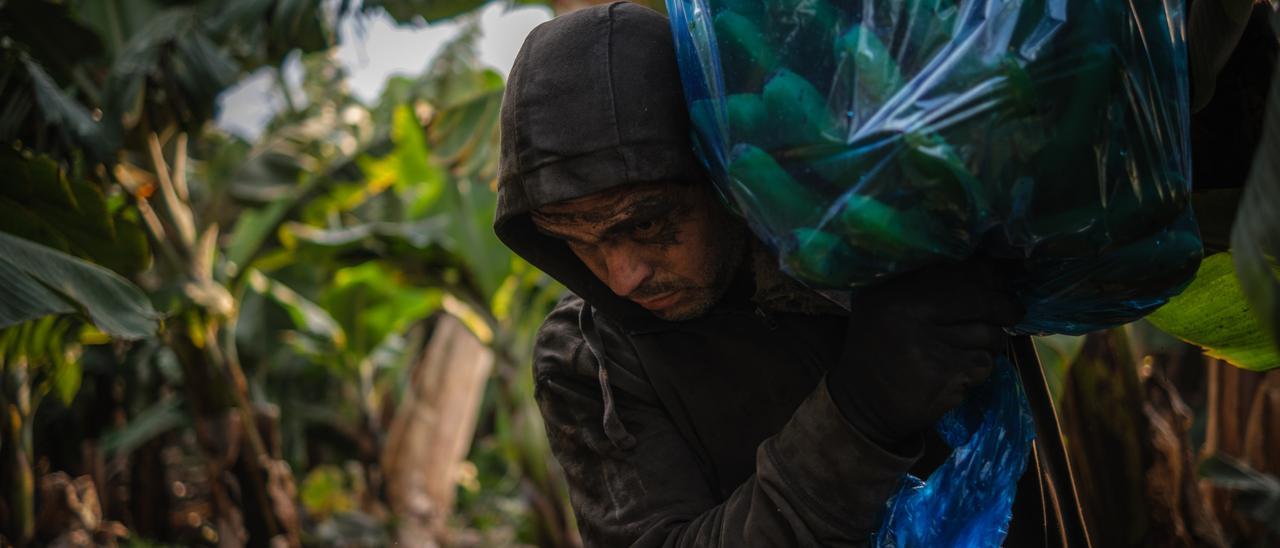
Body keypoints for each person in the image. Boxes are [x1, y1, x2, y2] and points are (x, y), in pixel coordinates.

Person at [494, 2, 1060, 545]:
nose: (622, 278)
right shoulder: (587, 358)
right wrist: (859, 418)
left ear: (718, 172)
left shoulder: (868, 240)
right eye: (577, 242)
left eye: (646, 225)